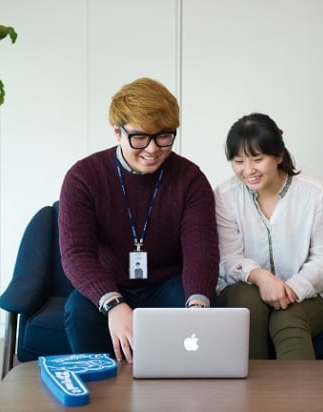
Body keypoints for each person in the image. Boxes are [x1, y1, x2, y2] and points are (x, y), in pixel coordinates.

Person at [58, 77, 219, 364]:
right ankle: (102, 394)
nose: (153, 149)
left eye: (164, 136)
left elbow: (201, 251)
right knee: (79, 309)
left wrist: (198, 307)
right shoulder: (83, 177)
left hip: (166, 284)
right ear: (116, 132)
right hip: (109, 284)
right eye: (140, 137)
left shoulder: (190, 179)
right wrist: (114, 304)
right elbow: (76, 254)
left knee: (193, 307)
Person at [214, 113, 323, 360]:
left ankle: (298, 400)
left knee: (287, 317)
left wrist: (291, 289)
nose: (248, 170)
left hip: (307, 293)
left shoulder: (315, 192)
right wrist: (262, 278)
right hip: (246, 289)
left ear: (279, 156)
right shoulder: (225, 195)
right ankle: (249, 398)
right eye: (238, 161)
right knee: (247, 301)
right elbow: (229, 259)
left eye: (258, 159)